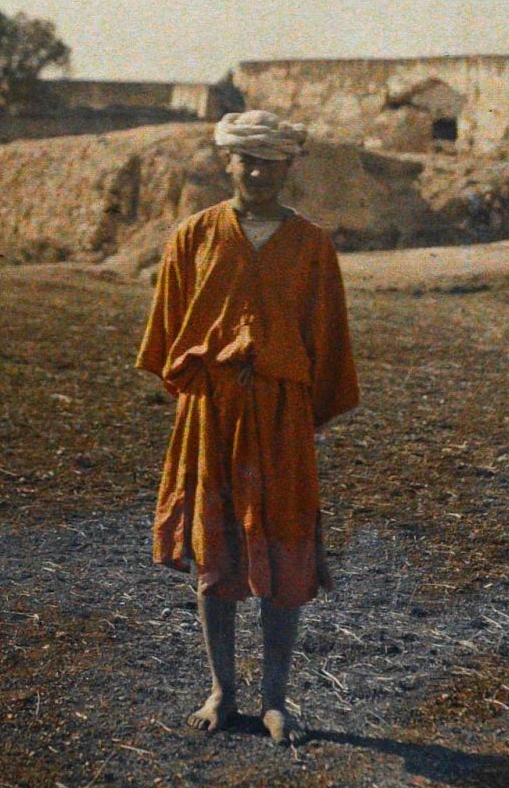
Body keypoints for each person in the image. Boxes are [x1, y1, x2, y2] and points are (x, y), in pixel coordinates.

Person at [135, 109, 359, 745]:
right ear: (227, 162)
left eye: (272, 162)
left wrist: (298, 410)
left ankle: (275, 700)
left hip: (283, 419)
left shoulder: (312, 245)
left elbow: (328, 340)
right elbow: (167, 335)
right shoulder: (193, 237)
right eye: (248, 160)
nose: (259, 173)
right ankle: (222, 691)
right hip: (212, 414)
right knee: (215, 548)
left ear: (290, 167)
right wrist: (212, 383)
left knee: (284, 547)